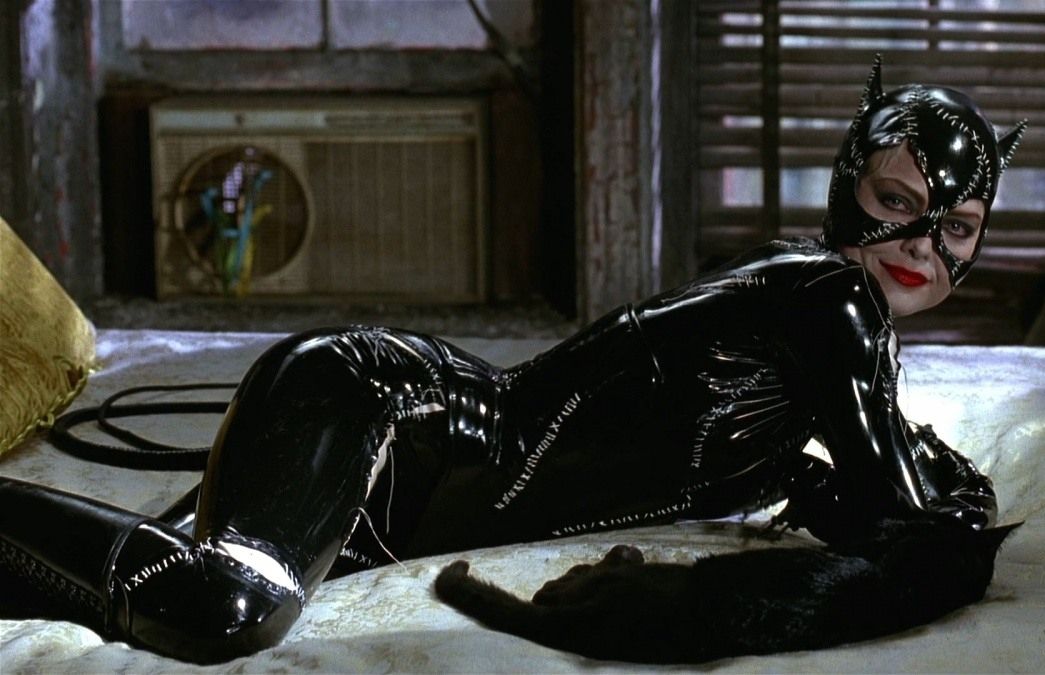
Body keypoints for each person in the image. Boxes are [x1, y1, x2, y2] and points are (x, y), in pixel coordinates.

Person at [0, 58, 1027, 663]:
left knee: (103, 584)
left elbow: (853, 494)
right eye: (897, 203)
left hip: (392, 506)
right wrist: (946, 496)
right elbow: (901, 517)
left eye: (958, 227)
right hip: (384, 411)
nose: (922, 246)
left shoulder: (814, 350)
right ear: (847, 185)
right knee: (223, 611)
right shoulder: (829, 297)